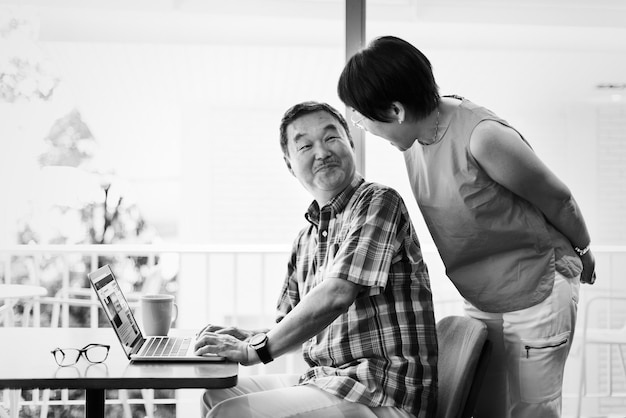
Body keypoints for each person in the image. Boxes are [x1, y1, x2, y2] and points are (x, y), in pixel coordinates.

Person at [337, 35, 596, 418]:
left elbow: (559, 199)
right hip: (483, 296)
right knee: (482, 408)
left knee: (531, 412)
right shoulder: (415, 141)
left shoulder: (482, 136)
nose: (362, 126)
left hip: (538, 286)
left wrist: (584, 250)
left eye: (363, 116)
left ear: (395, 110)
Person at [194, 101, 438, 418]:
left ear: (350, 141)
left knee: (232, 414)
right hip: (328, 383)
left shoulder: (378, 201)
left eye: (331, 138)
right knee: (216, 396)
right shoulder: (306, 238)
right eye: (305, 145)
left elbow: (337, 294)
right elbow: (289, 329)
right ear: (289, 163)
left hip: (383, 396)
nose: (321, 152)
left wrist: (252, 350)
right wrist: (248, 336)